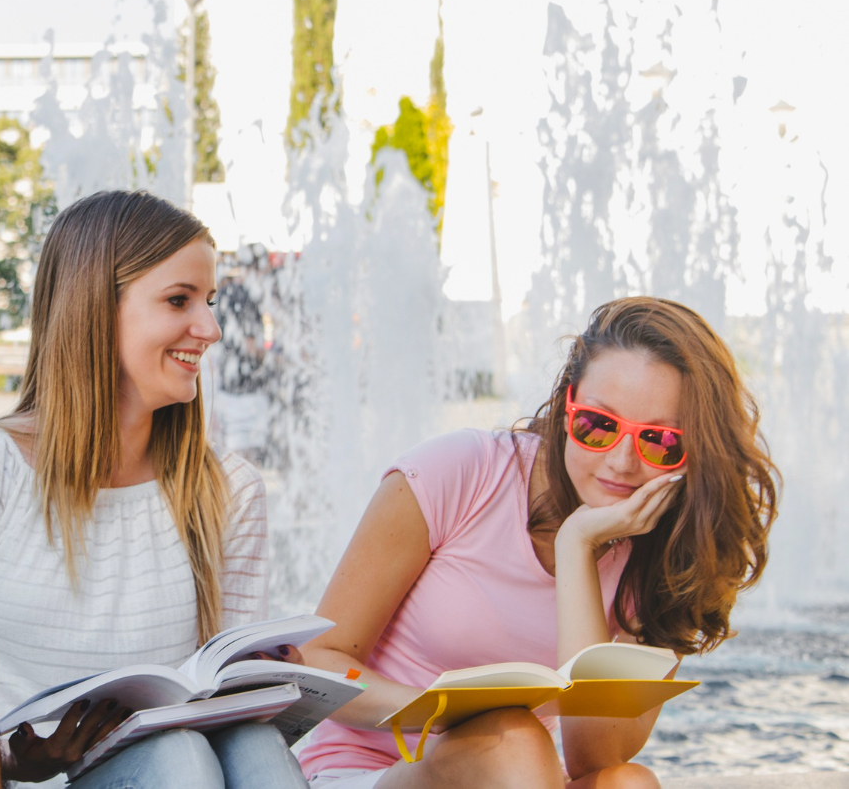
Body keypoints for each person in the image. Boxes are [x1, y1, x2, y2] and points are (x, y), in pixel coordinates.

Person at [0, 190, 310, 788]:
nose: (212, 329)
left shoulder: (230, 489)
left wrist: (264, 685)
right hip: (14, 780)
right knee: (179, 761)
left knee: (249, 745)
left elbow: (225, 696)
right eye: (179, 300)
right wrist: (21, 760)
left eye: (211, 302)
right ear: (95, 308)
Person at [297, 297, 778, 788]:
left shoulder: (667, 552)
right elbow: (316, 660)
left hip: (523, 780)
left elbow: (594, 758)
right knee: (513, 737)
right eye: (599, 425)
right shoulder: (461, 472)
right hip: (370, 772)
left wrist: (578, 545)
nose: (622, 462)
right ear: (568, 408)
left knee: (628, 782)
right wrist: (444, 716)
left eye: (660, 440)